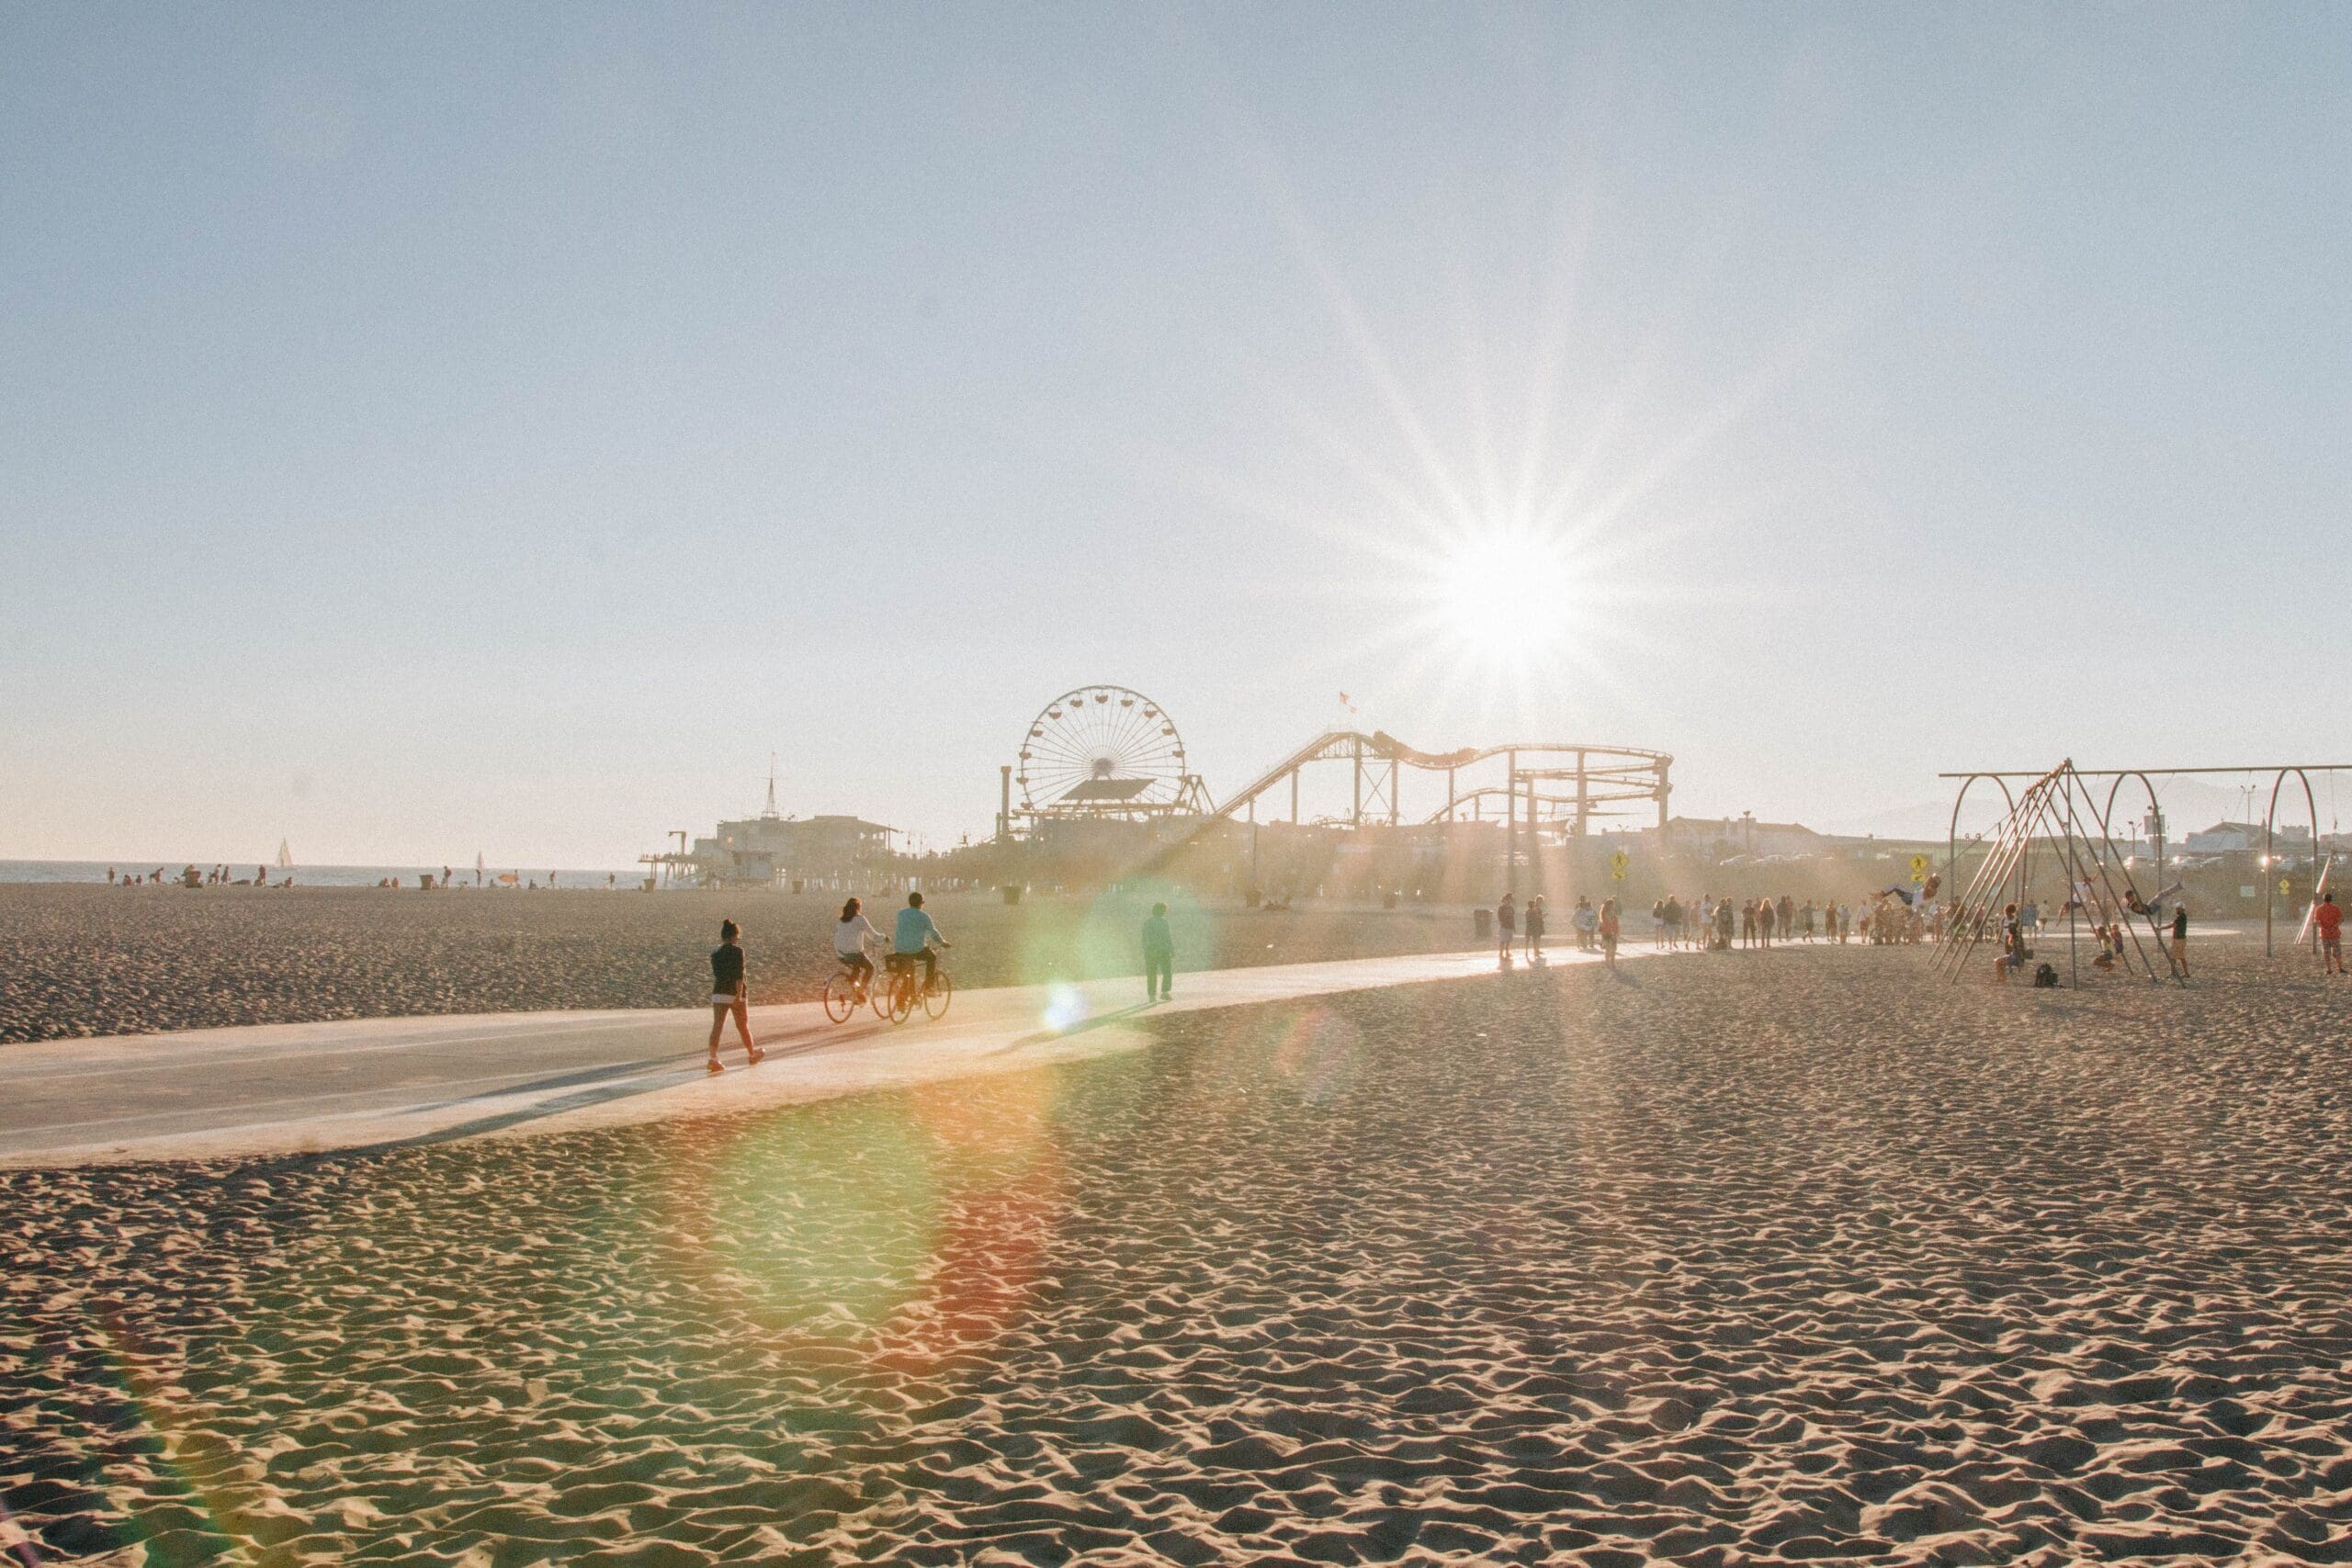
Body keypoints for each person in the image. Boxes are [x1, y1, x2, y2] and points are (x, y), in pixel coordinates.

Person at [707, 919, 763, 1073]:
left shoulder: (715, 952)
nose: (739, 938)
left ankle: (713, 1058)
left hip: (719, 992)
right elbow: (739, 975)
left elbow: (718, 973)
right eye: (738, 936)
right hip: (735, 993)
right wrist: (738, 995)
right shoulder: (738, 951)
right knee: (743, 1026)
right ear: (733, 936)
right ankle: (752, 1054)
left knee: (717, 1026)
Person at [893, 890, 950, 992]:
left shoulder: (901, 913)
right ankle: (929, 987)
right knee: (932, 958)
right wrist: (942, 942)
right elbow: (933, 932)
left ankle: (905, 998)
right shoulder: (924, 916)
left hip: (899, 948)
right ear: (921, 903)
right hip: (916, 949)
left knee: (909, 971)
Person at [835, 897, 881, 996]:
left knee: (857, 967)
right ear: (858, 908)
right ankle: (861, 991)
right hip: (854, 953)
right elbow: (873, 935)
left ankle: (853, 984)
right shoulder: (860, 919)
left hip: (840, 954)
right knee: (870, 968)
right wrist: (884, 938)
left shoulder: (842, 920)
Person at [1142, 901, 1175, 1001]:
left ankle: (1153, 995)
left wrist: (1147, 950)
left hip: (1153, 951)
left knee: (1152, 973)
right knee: (1166, 972)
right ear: (1159, 910)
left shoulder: (1149, 922)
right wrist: (1171, 949)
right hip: (1161, 951)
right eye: (1163, 910)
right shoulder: (1163, 922)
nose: (1164, 912)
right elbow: (1167, 937)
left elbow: (1145, 938)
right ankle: (1164, 993)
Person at [2316, 893, 2343, 975]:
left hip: (2324, 934)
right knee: (2337, 952)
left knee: (2326, 952)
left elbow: (2317, 921)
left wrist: (2324, 928)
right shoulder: (2335, 908)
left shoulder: (2319, 909)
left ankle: (2329, 969)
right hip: (2334, 933)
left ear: (2323, 899)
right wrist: (2334, 927)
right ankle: (2340, 968)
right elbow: (2341, 919)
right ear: (2331, 899)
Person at [1600, 897, 1621, 968]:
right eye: (1612, 905)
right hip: (1607, 933)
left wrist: (1617, 931)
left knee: (1613, 949)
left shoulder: (1613, 914)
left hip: (1613, 933)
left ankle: (1612, 963)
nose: (1613, 906)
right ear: (1609, 905)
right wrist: (1612, 931)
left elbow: (1616, 924)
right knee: (1608, 949)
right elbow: (1606, 924)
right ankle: (1608, 963)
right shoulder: (1604, 914)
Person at [1496, 892, 1516, 964]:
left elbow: (1512, 917)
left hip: (1510, 925)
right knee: (1502, 940)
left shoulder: (1511, 908)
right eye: (1508, 900)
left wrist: (1514, 927)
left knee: (1508, 941)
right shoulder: (1502, 907)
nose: (1509, 901)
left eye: (1511, 900)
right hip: (1504, 925)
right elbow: (1499, 915)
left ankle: (1507, 952)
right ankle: (1501, 953)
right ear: (1505, 900)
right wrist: (1500, 921)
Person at [1524, 896, 1546, 961]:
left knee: (1538, 937)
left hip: (1539, 924)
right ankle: (1535, 950)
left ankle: (1537, 949)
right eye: (1539, 900)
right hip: (1535, 924)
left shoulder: (1538, 907)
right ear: (1537, 900)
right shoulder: (1534, 907)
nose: (1540, 902)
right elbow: (1536, 916)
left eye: (1541, 900)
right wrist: (1542, 916)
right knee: (1535, 937)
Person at [2170, 903, 2189, 977]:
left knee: (2179, 956)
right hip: (2178, 938)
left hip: (2179, 939)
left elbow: (2173, 925)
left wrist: (2160, 928)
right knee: (2174, 956)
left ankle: (2184, 973)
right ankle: (2174, 972)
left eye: (2178, 908)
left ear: (2182, 909)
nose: (2177, 910)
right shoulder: (2181, 916)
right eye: (2176, 908)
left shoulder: (2181, 917)